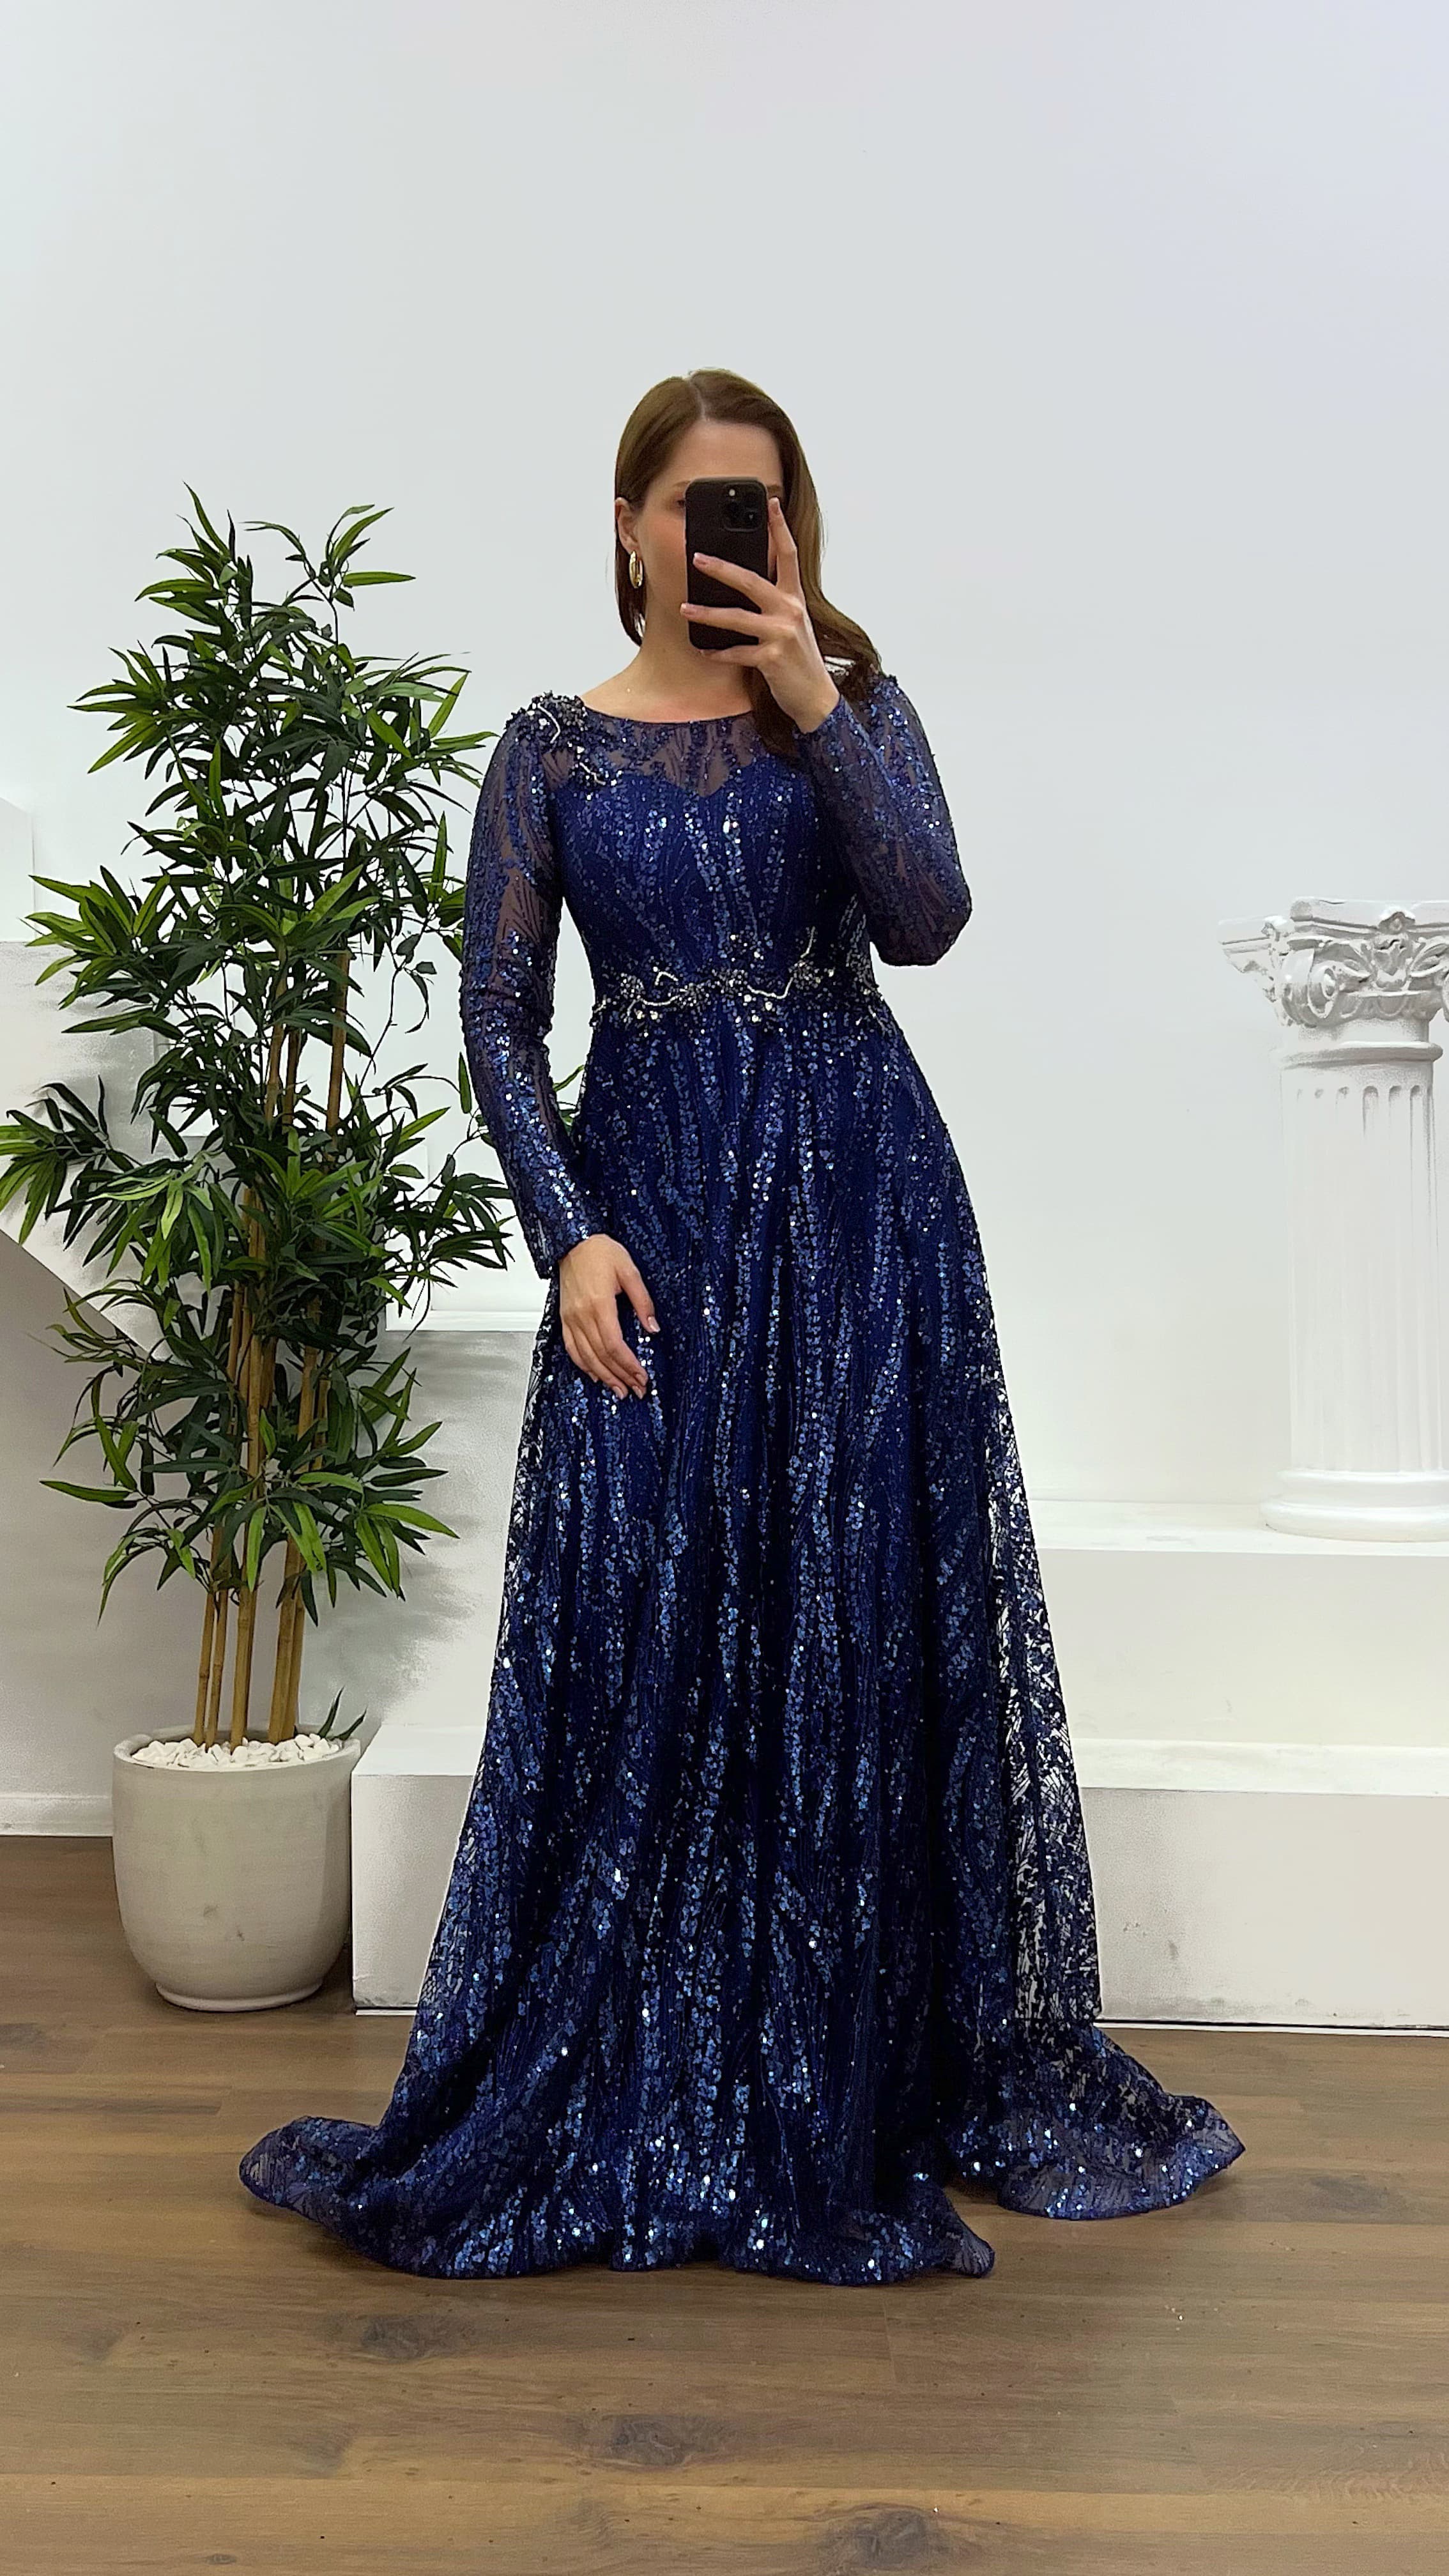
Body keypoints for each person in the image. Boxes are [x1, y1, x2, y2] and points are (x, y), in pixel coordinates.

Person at [239, 367, 1244, 2282]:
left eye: (761, 505)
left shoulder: (853, 704)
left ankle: (846, 2065)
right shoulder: (549, 751)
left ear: (792, 525)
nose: (731, 534)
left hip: (861, 1208)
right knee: (643, 1616)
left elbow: (928, 919)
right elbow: (495, 1016)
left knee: (855, 1610)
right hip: (656, 1226)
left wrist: (812, 698)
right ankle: (652, 2058)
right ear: (627, 525)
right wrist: (566, 1235)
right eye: (698, 502)